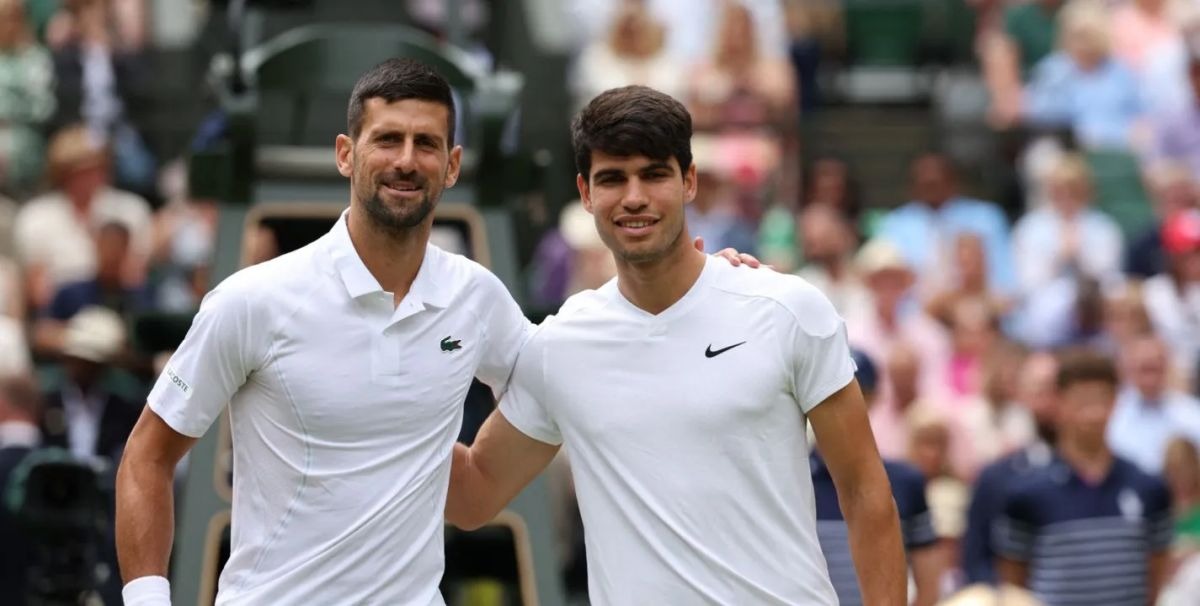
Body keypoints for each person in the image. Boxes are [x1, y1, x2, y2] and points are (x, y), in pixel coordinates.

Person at [114, 59, 755, 606]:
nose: (405, 160)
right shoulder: (253, 300)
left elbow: (574, 367)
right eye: (387, 139)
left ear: (451, 166)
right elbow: (147, 458)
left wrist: (697, 282)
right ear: (347, 154)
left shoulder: (475, 298)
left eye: (426, 144)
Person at [445, 85, 905, 604]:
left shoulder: (788, 309)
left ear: (688, 181)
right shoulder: (561, 345)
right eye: (613, 179)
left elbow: (867, 495)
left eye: (654, 174)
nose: (634, 197)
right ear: (585, 192)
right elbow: (472, 495)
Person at [995, 350, 1172, 606]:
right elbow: (1013, 588)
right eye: (1081, 401)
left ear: (1115, 402)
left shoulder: (1148, 486)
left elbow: (1155, 578)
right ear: (1059, 402)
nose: (1092, 413)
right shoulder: (1025, 493)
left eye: (1101, 399)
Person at [811, 351, 941, 606]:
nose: (839, 407)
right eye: (826, 396)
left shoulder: (906, 481)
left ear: (874, 399)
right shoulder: (792, 479)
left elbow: (928, 582)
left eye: (858, 394)